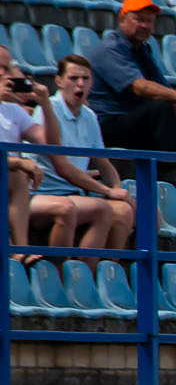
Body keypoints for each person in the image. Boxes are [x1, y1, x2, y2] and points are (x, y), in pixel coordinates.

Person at [30, 56, 132, 256]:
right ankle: (78, 271)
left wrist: (118, 189)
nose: (80, 84)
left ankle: (109, 272)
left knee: (138, 212)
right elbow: (63, 168)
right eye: (73, 78)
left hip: (75, 194)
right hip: (44, 194)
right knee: (102, 209)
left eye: (85, 79)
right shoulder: (47, 110)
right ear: (59, 81)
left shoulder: (89, 116)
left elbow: (103, 163)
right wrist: (107, 191)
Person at [86, 0, 176, 158]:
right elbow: (141, 87)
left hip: (136, 123)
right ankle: (170, 168)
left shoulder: (143, 50)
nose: (145, 26)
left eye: (149, 21)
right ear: (122, 19)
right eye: (139, 20)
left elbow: (164, 91)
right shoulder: (110, 49)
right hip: (108, 124)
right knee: (161, 107)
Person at [0, 51, 51, 248]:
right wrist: (20, 162)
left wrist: (45, 104)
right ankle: (17, 249)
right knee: (17, 173)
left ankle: (20, 249)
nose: (3, 73)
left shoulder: (12, 109)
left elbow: (47, 142)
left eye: (6, 68)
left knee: (17, 175)